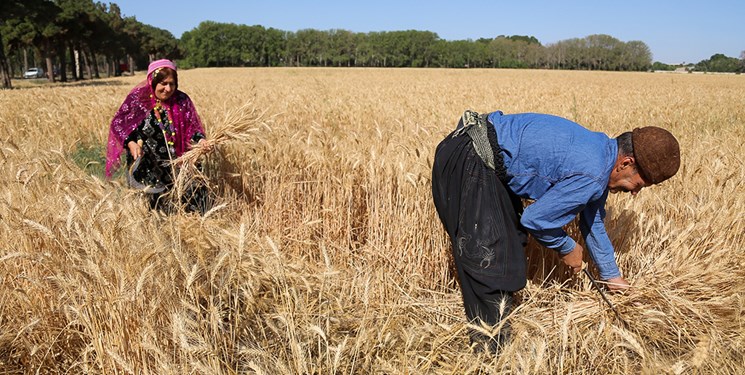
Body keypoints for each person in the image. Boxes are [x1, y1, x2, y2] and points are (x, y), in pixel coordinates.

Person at [431, 110, 680, 352]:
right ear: (626, 163)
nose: (635, 193)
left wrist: (611, 276)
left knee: (510, 246)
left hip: (481, 157)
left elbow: (592, 222)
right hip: (470, 157)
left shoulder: (601, 156)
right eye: (638, 184)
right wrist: (567, 247)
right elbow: (536, 219)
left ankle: (499, 333)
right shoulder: (592, 173)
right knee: (489, 258)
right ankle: (491, 355)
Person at [105, 59, 210, 213]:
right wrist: (131, 143)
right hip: (148, 166)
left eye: (172, 84)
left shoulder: (182, 100)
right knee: (152, 213)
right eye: (163, 83)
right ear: (152, 81)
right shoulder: (138, 100)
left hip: (179, 164)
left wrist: (201, 140)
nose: (168, 89)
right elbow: (118, 124)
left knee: (189, 209)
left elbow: (193, 127)